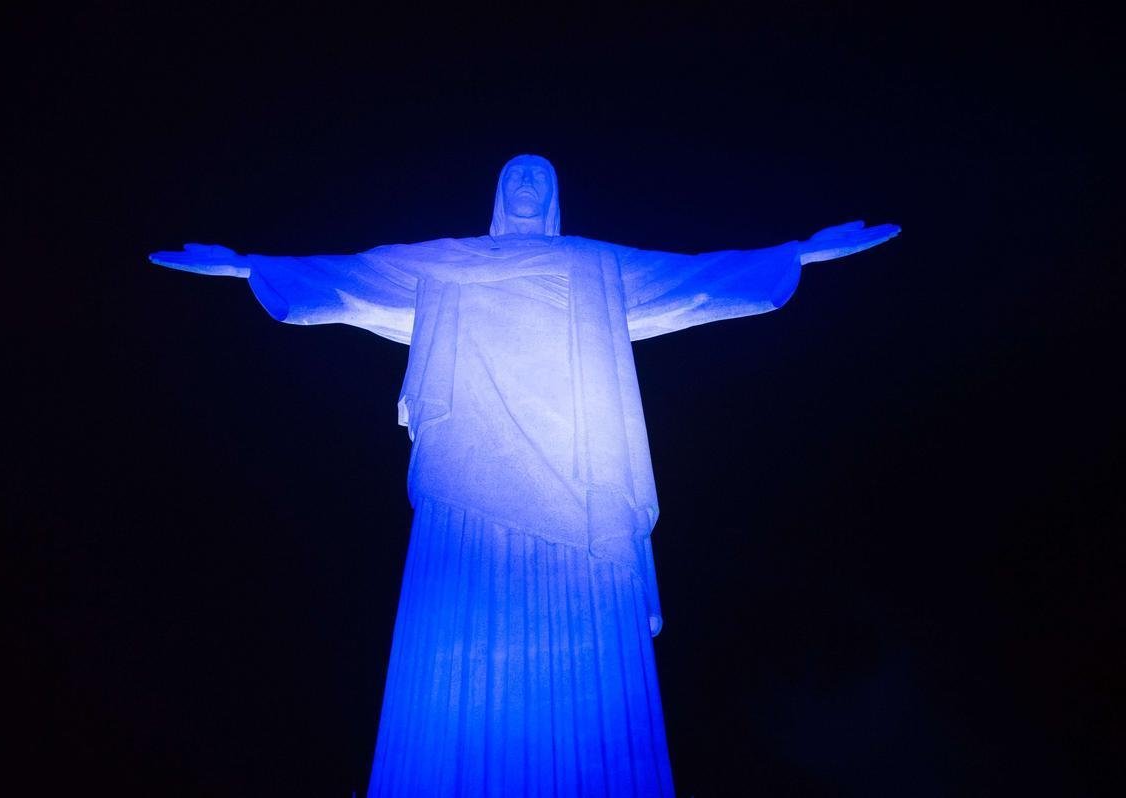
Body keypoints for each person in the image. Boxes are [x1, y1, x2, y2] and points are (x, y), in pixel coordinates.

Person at [152, 154, 899, 796]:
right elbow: (350, 278)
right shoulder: (445, 263)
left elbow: (698, 280)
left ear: (557, 195)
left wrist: (798, 253)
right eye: (518, 175)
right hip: (466, 485)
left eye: (542, 176)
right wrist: (250, 266)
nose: (530, 186)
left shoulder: (594, 264)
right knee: (451, 663)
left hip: (583, 486)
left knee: (594, 698)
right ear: (498, 191)